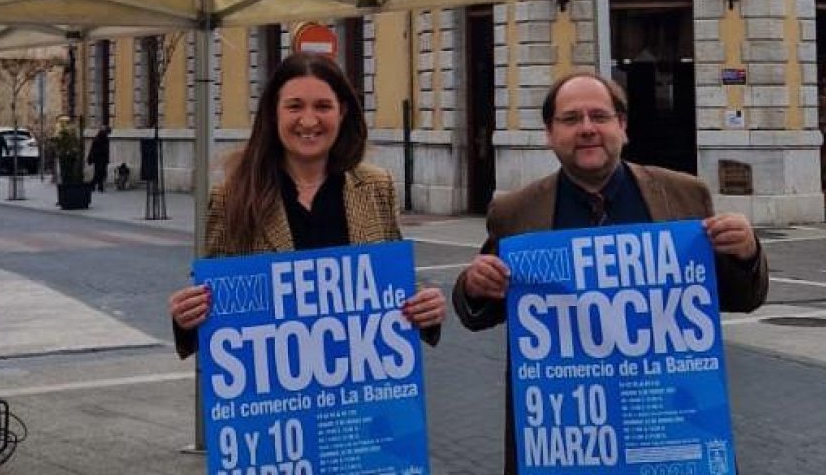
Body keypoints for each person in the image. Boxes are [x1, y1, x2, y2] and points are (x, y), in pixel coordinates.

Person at [453, 71, 769, 475]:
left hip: (665, 430)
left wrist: (745, 253)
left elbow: (742, 298)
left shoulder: (684, 195)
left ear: (622, 126)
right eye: (570, 119)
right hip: (567, 439)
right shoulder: (515, 212)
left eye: (599, 116)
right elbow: (478, 309)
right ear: (550, 133)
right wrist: (475, 286)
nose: (587, 129)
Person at [169, 52, 446, 359]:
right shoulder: (232, 197)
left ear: (342, 112)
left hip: (360, 390)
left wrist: (425, 305)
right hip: (278, 394)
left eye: (323, 106)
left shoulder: (377, 187)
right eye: (295, 106)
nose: (309, 120)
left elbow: (391, 284)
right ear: (274, 114)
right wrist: (187, 316)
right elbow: (217, 308)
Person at [87, 125, 111, 192]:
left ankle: (99, 186)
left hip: (99, 158)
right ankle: (92, 185)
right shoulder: (102, 139)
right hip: (100, 158)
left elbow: (92, 149)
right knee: (99, 173)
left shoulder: (98, 138)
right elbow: (103, 150)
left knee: (100, 173)